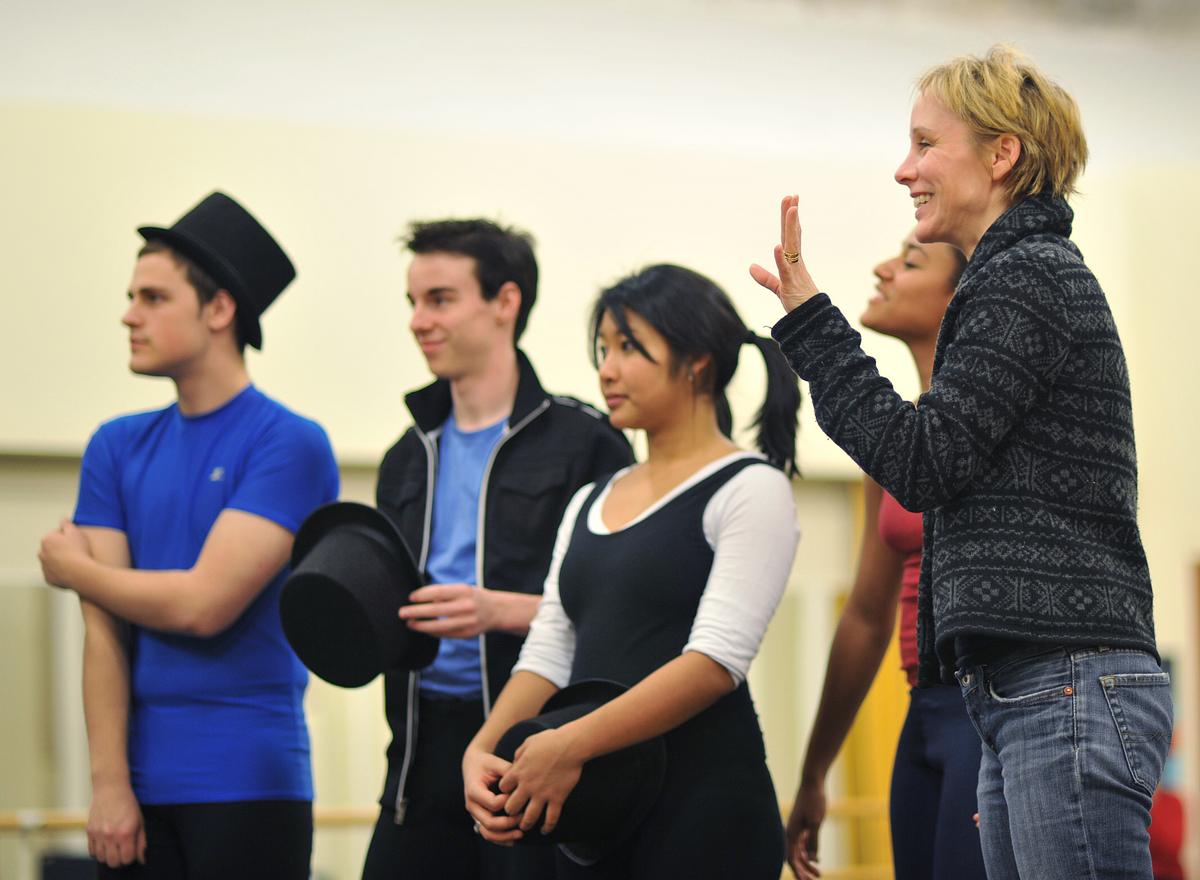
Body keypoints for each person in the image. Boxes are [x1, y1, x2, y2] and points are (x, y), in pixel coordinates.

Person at [751, 45, 1171, 880]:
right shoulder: (1014, 276)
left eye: (924, 144)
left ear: (1002, 154)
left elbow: (923, 462)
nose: (903, 170)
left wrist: (810, 319)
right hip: (1030, 685)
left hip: (1062, 684)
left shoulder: (1027, 276)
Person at [463, 264, 802, 879]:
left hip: (701, 811)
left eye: (629, 348)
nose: (607, 371)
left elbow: (714, 663)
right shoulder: (591, 498)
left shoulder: (751, 487)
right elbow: (550, 647)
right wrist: (482, 747)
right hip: (594, 809)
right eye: (603, 350)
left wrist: (570, 743)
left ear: (697, 362)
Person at [37, 192, 339, 879]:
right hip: (139, 785)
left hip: (249, 782)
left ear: (219, 309)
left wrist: (75, 569)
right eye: (131, 297)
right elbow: (105, 629)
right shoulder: (115, 446)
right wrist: (109, 783)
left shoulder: (288, 442)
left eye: (153, 298)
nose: (129, 315)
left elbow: (203, 605)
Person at [364, 219, 633, 880]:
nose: (419, 321)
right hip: (419, 748)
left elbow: (622, 613)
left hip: (537, 746)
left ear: (505, 302)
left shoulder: (588, 442)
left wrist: (499, 611)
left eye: (440, 299)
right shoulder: (407, 454)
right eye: (413, 302)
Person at [786, 234, 987, 880]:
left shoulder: (989, 426)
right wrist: (815, 771)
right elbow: (867, 617)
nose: (881, 268)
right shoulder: (897, 439)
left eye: (910, 262)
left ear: (959, 296)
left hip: (984, 708)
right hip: (920, 707)